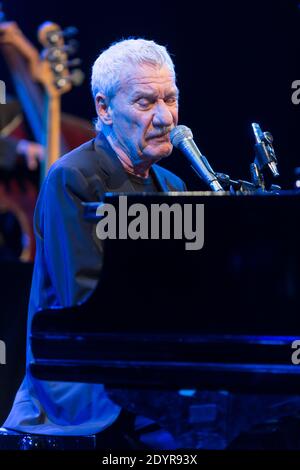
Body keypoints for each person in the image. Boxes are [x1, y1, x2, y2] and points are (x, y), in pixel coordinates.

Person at [2, 38, 186, 449]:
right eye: (145, 102)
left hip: (153, 366)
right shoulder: (73, 177)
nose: (164, 117)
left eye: (170, 99)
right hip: (82, 382)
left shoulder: (173, 186)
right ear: (104, 108)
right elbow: (82, 299)